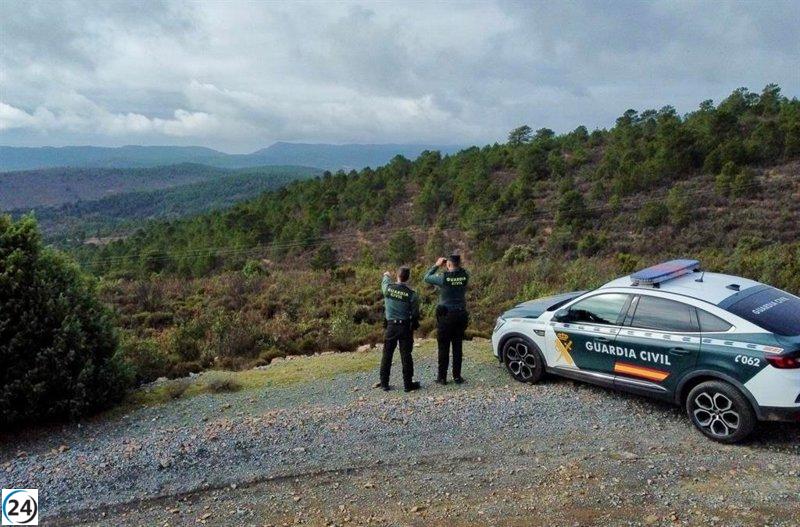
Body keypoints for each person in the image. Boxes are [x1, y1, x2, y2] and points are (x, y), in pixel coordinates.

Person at [424, 253, 469, 385]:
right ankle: (457, 377)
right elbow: (461, 270)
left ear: (448, 264)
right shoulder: (465, 276)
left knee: (443, 347)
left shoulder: (443, 278)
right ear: (459, 264)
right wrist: (454, 266)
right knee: (457, 346)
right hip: (460, 315)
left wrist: (437, 265)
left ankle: (442, 378)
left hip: (446, 316)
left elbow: (427, 277)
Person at [379, 266, 421, 392]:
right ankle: (408, 384)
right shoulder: (412, 294)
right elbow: (415, 314)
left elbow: (385, 282)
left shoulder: (388, 289)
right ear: (408, 278)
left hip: (391, 326)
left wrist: (386, 275)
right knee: (406, 356)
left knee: (387, 355)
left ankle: (384, 383)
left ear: (397, 275)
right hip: (405, 327)